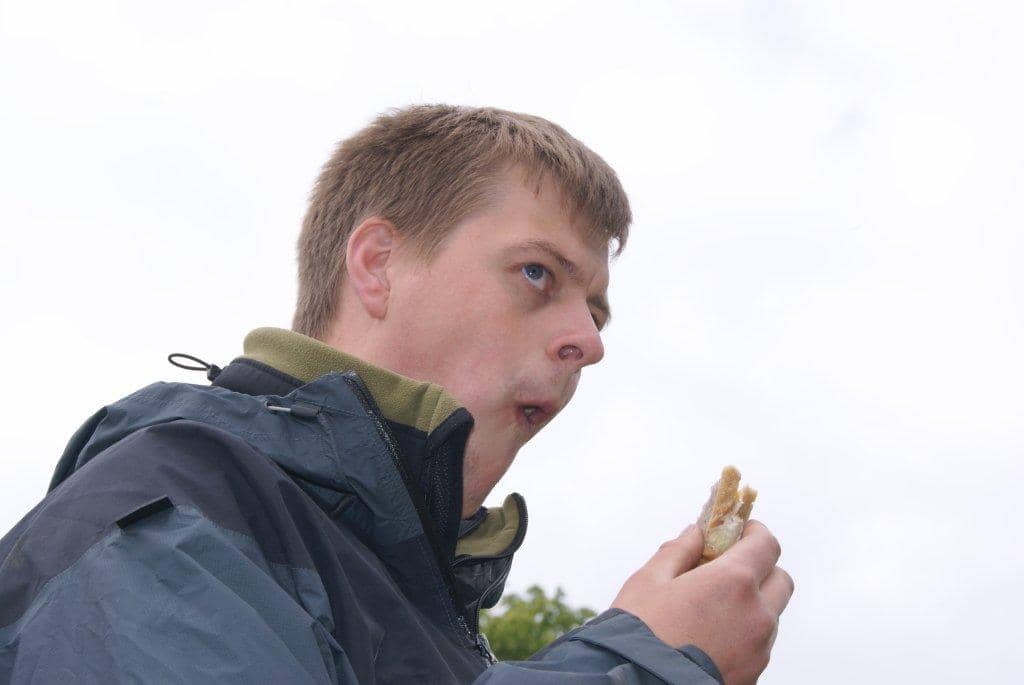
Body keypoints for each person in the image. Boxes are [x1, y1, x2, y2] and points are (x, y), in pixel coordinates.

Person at [0, 105, 793, 684]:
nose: (588, 340)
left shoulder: (410, 593)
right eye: (537, 273)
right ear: (378, 265)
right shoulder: (161, 515)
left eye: (595, 310)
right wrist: (641, 664)